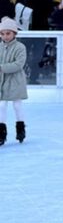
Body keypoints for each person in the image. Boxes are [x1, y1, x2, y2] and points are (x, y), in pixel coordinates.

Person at [14, 0, 53, 84]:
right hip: (41, 30)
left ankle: (22, 75)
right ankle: (33, 77)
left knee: (24, 52)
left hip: (26, 30)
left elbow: (17, 10)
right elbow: (50, 12)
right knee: (38, 54)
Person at [0, 16, 27, 146]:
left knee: (17, 105)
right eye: (2, 33)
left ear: (14, 33)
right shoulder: (0, 46)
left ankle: (20, 129)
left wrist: (1, 68)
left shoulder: (20, 47)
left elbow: (19, 64)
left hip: (15, 81)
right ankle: (1, 133)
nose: (5, 36)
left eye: (8, 33)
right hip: (1, 81)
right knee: (1, 106)